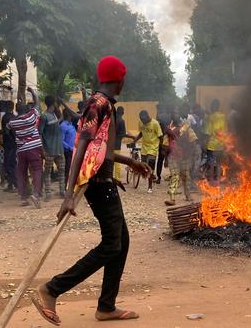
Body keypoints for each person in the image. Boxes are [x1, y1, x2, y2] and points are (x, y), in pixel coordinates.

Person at [34, 56, 151, 325]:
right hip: (98, 187)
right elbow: (81, 147)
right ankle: (52, 289)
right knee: (112, 245)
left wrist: (129, 162)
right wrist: (68, 193)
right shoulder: (98, 104)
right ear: (119, 80)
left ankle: (106, 306)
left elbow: (101, 151)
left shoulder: (104, 105)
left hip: (103, 183)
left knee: (121, 243)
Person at [8, 88, 43, 207]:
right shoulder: (31, 116)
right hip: (34, 148)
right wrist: (33, 93)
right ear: (27, 109)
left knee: (21, 173)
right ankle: (36, 194)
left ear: (16, 111)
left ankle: (23, 197)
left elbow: (8, 130)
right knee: (37, 170)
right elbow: (37, 104)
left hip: (21, 149)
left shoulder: (13, 122)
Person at [164, 108, 198, 206]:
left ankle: (188, 195)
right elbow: (165, 145)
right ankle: (172, 198)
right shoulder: (169, 129)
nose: (175, 115)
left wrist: (194, 153)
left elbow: (193, 140)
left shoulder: (186, 127)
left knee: (186, 177)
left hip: (185, 157)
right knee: (175, 177)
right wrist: (166, 158)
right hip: (173, 157)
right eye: (173, 113)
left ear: (179, 115)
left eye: (176, 113)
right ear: (171, 117)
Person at [39, 95, 65, 201]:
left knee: (60, 170)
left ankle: (61, 191)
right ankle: (49, 192)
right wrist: (42, 149)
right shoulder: (44, 116)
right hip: (49, 149)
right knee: (49, 171)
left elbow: (58, 121)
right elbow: (40, 133)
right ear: (53, 103)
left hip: (58, 149)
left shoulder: (54, 114)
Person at [134, 110, 161, 193]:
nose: (142, 121)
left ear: (148, 116)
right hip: (144, 148)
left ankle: (150, 187)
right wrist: (135, 140)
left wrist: (161, 148)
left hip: (153, 147)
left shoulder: (155, 123)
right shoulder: (141, 122)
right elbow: (141, 133)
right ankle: (150, 175)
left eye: (143, 120)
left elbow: (160, 136)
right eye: (141, 120)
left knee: (150, 166)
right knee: (144, 167)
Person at [204, 99, 227, 186]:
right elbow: (226, 131)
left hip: (212, 144)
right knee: (219, 163)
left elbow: (208, 131)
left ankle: (211, 180)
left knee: (211, 163)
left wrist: (205, 142)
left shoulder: (211, 117)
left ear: (213, 106)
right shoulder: (223, 116)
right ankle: (217, 179)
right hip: (221, 144)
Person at [0, 102, 18, 192]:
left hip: (9, 145)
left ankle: (16, 185)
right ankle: (11, 185)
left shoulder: (6, 117)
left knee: (9, 165)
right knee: (11, 164)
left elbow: (7, 132)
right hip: (13, 144)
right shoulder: (14, 117)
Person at [113, 107, 132, 180]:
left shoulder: (112, 118)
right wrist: (132, 137)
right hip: (117, 144)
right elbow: (123, 134)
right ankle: (117, 178)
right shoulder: (121, 121)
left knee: (109, 161)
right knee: (117, 162)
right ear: (122, 113)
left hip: (108, 143)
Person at [60, 109, 76, 189]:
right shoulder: (63, 126)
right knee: (67, 170)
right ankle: (65, 187)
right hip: (68, 151)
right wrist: (70, 148)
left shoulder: (71, 125)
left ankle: (71, 186)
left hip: (73, 150)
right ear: (69, 116)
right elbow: (61, 140)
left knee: (72, 170)